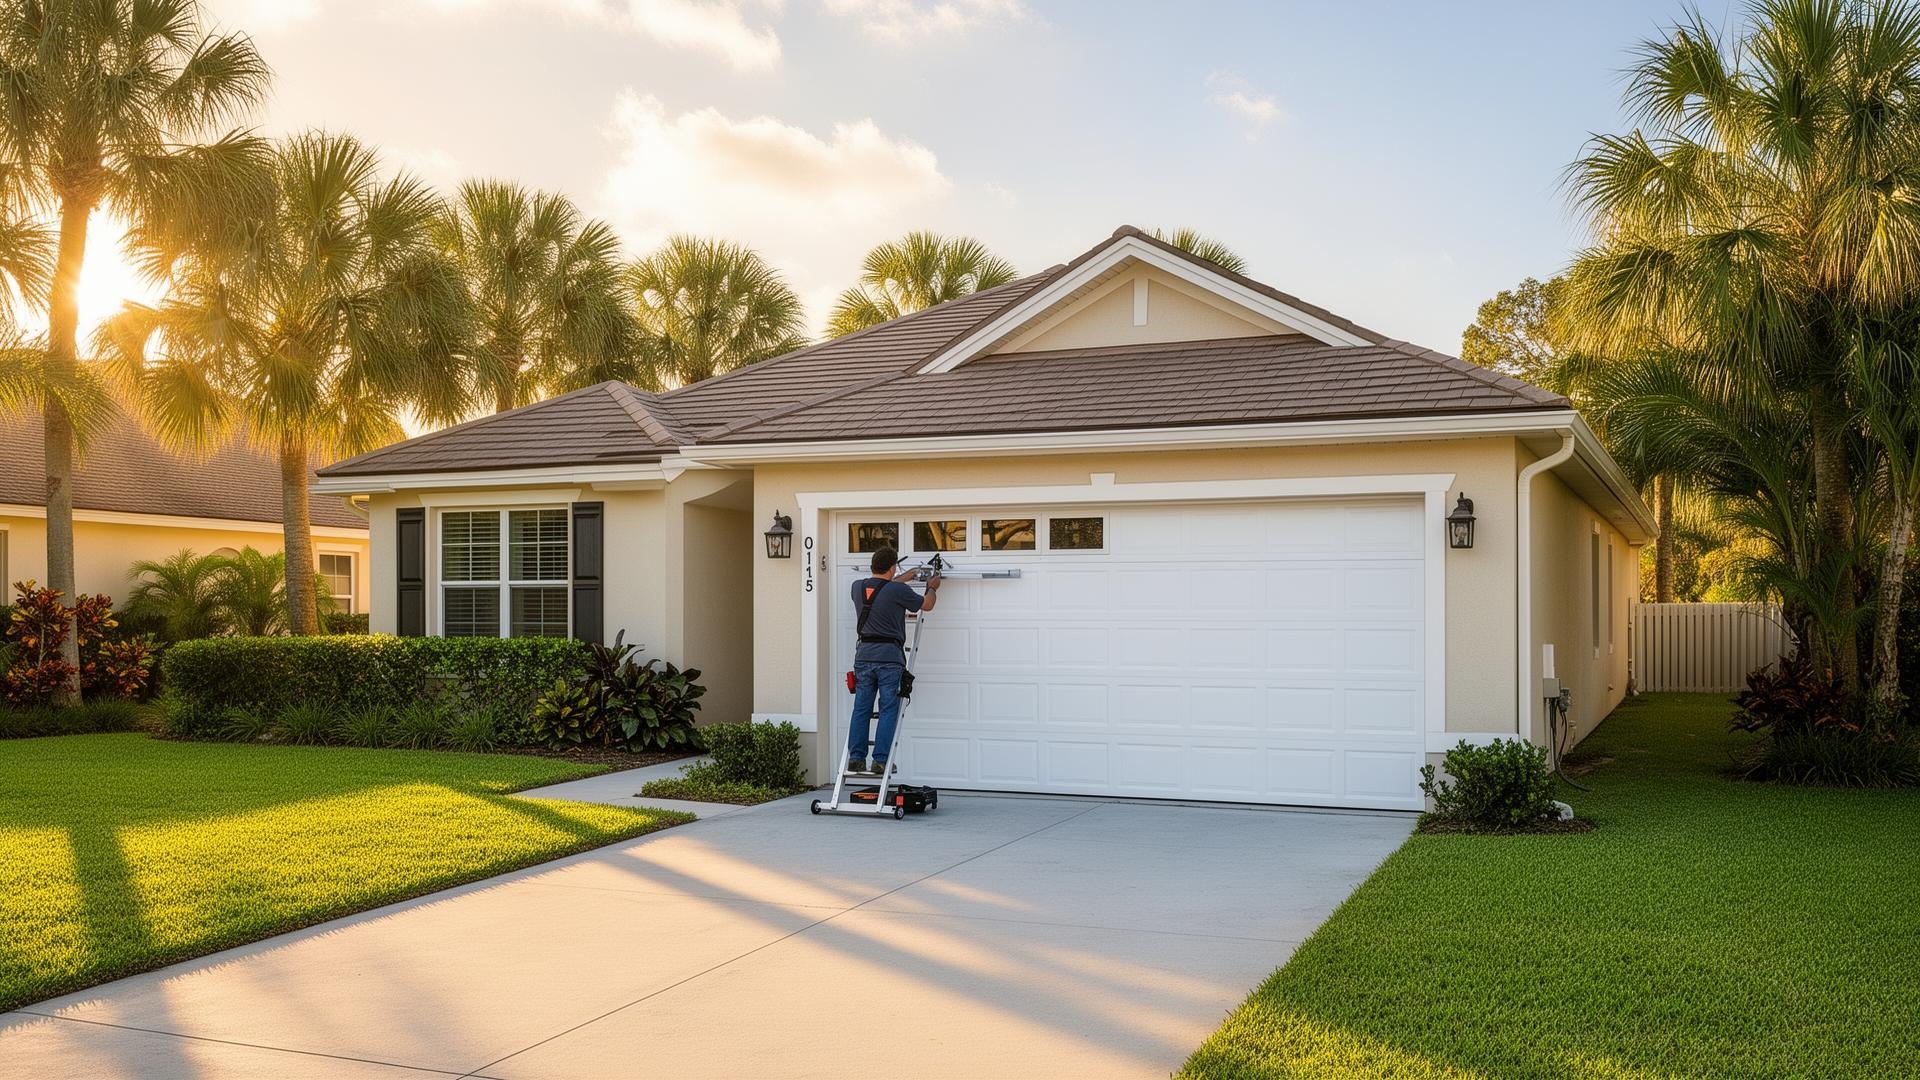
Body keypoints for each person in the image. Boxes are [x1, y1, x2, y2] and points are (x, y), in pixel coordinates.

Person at [846, 546, 940, 774]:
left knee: (861, 708)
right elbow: (927, 605)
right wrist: (932, 587)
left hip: (864, 657)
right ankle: (880, 760)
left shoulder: (857, 587)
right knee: (888, 709)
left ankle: (856, 758)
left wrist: (904, 577)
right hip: (889, 659)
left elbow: (882, 587)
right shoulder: (897, 592)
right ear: (892, 567)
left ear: (872, 566)